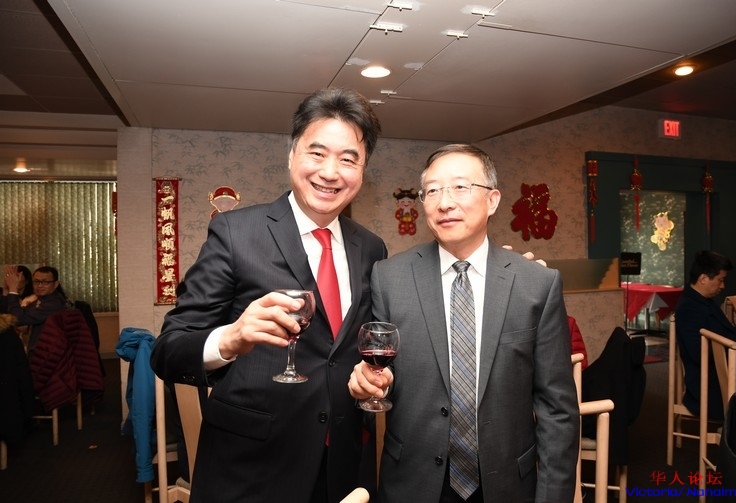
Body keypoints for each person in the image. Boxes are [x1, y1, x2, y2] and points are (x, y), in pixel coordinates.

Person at [150, 87, 388, 503]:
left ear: (362, 170)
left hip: (342, 466)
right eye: (317, 153)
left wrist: (373, 376)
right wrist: (230, 339)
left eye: (348, 159)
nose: (331, 172)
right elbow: (168, 350)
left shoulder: (371, 248)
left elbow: (357, 346)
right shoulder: (235, 232)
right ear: (292, 155)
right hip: (251, 469)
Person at [348, 144, 580, 502]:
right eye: (432, 191)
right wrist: (371, 383)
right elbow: (383, 376)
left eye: (460, 187)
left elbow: (557, 411)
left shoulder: (537, 284)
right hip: (413, 483)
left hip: (507, 485)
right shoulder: (389, 277)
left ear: (492, 200)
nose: (445, 203)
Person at [674, 250, 736, 420]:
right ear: (703, 279)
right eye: (720, 280)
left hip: (724, 375)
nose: (723, 286)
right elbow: (697, 352)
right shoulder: (689, 308)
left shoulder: (702, 301)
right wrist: (735, 344)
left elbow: (720, 332)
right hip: (711, 386)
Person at [3, 265, 69, 354]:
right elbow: (11, 315)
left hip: (47, 354)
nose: (40, 285)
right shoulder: (40, 300)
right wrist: (6, 290)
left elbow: (18, 319)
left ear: (56, 284)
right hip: (37, 351)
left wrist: (13, 289)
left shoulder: (54, 303)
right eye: (36, 281)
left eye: (45, 282)